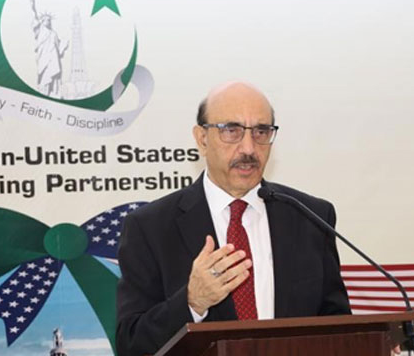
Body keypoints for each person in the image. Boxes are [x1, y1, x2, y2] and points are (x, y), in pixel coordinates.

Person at [116, 82, 351, 356]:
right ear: (202, 139)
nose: (248, 148)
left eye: (261, 131)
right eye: (231, 130)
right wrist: (192, 302)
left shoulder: (310, 216)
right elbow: (131, 343)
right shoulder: (150, 227)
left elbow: (338, 327)